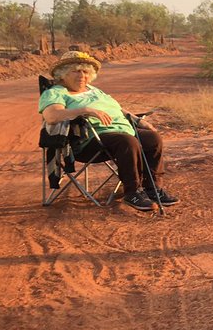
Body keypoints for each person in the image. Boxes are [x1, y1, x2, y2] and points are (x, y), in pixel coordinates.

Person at [39, 49, 179, 212]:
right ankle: (132, 192)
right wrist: (85, 109)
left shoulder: (94, 90)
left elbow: (119, 110)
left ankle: (153, 189)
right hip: (89, 141)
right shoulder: (55, 92)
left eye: (85, 72)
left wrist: (139, 121)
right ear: (62, 74)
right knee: (127, 141)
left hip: (121, 133)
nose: (82, 76)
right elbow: (52, 115)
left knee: (152, 138)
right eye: (76, 71)